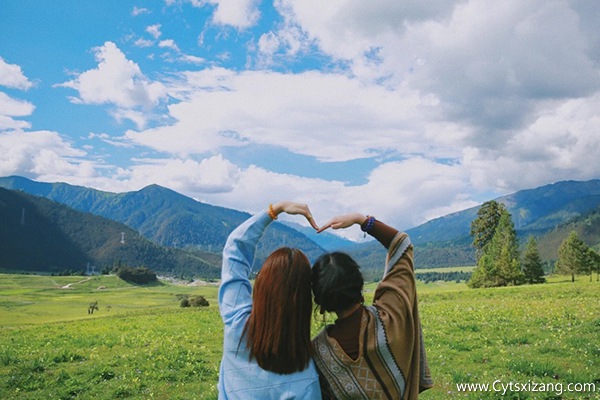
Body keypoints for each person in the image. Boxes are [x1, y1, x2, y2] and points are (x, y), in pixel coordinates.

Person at [311, 213, 433, 399]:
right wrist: (361, 220)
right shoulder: (392, 316)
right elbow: (402, 244)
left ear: (321, 303)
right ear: (359, 285)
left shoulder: (317, 355)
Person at [218, 201, 322, 399]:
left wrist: (275, 210)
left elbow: (235, 249)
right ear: (303, 304)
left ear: (262, 287)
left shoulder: (236, 327)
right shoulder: (306, 377)